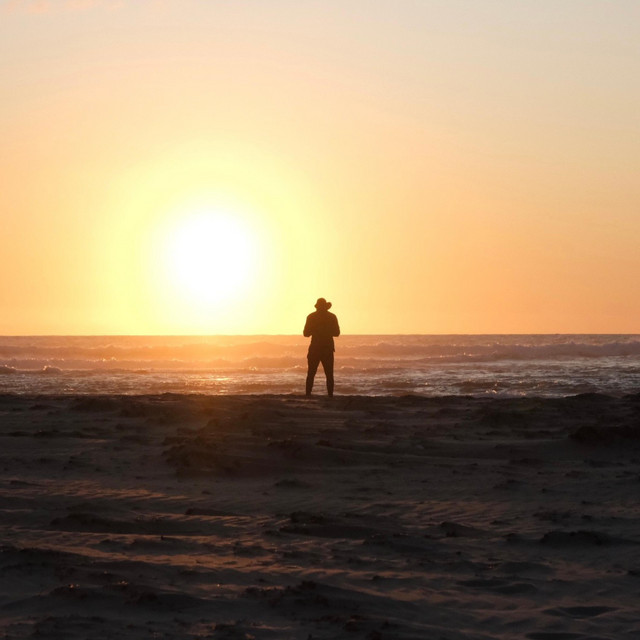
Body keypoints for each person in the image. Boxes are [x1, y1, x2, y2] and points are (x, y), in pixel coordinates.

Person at [304, 298, 340, 397]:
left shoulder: (311, 317)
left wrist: (316, 330)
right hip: (327, 348)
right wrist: (326, 331)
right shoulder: (332, 317)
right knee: (329, 374)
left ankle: (308, 395)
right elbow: (337, 333)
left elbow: (306, 333)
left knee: (311, 373)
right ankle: (330, 396)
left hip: (315, 348)